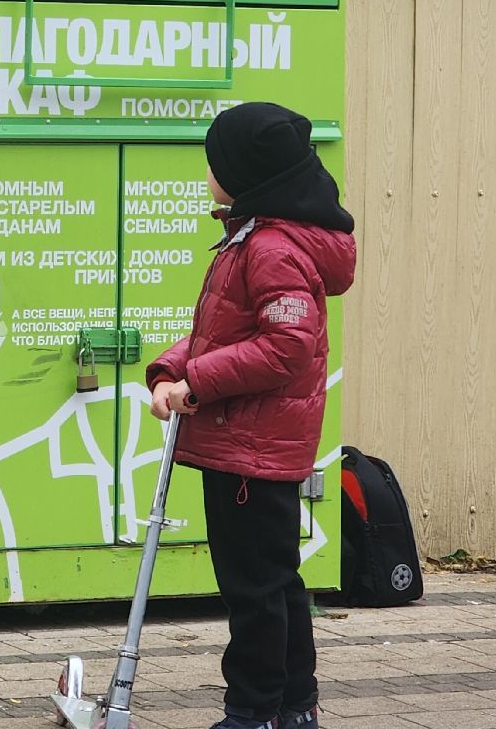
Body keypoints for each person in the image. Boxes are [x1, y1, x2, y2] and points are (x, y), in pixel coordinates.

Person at [146, 102, 357, 729]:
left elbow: (286, 347)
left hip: (252, 449)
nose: (209, 172)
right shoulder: (254, 237)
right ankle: (293, 708)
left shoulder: (270, 247)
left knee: (255, 591)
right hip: (250, 444)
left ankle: (255, 711)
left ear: (246, 172)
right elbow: (224, 333)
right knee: (275, 583)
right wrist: (170, 369)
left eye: (216, 162)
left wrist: (197, 385)